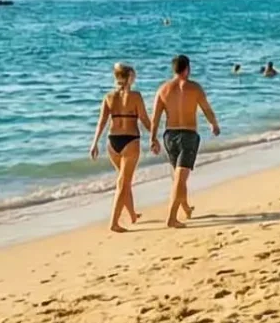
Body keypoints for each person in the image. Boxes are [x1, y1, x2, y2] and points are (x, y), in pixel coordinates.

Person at [149, 55, 219, 228]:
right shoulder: (194, 88)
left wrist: (153, 138)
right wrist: (214, 124)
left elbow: (155, 117)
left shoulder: (163, 89)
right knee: (180, 178)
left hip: (169, 136)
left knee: (179, 176)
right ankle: (171, 217)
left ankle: (186, 208)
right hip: (188, 135)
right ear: (187, 68)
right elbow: (206, 109)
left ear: (174, 69)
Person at [89, 62, 154, 232]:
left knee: (125, 181)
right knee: (123, 183)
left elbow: (101, 122)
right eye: (133, 75)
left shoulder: (109, 97)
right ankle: (114, 222)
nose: (136, 77)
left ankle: (132, 214)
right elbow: (145, 120)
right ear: (128, 77)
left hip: (112, 142)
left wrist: (95, 142)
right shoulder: (136, 96)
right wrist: (154, 137)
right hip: (131, 140)